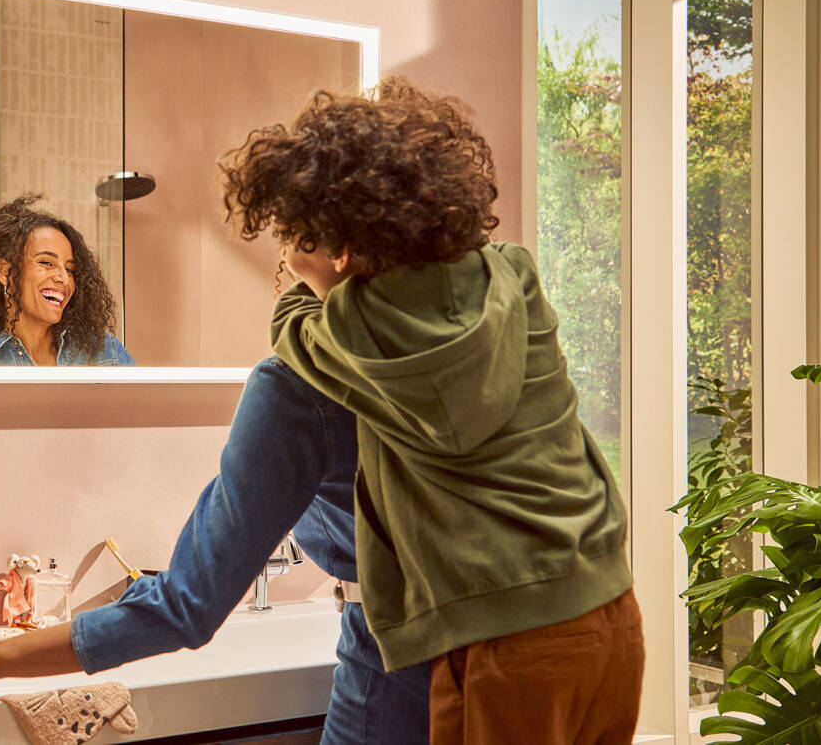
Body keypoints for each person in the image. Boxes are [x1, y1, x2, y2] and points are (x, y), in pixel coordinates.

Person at [225, 78, 643, 744]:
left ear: (336, 242)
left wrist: (309, 275)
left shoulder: (348, 341)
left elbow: (293, 326)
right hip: (606, 611)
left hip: (498, 644)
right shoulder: (513, 275)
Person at [0, 350, 430, 744]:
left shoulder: (307, 380)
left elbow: (184, 606)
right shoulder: (501, 331)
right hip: (515, 652)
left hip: (400, 657)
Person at [0, 195, 134, 367]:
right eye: (46, 263)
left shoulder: (106, 351)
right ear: (5, 272)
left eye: (70, 270)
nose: (64, 278)